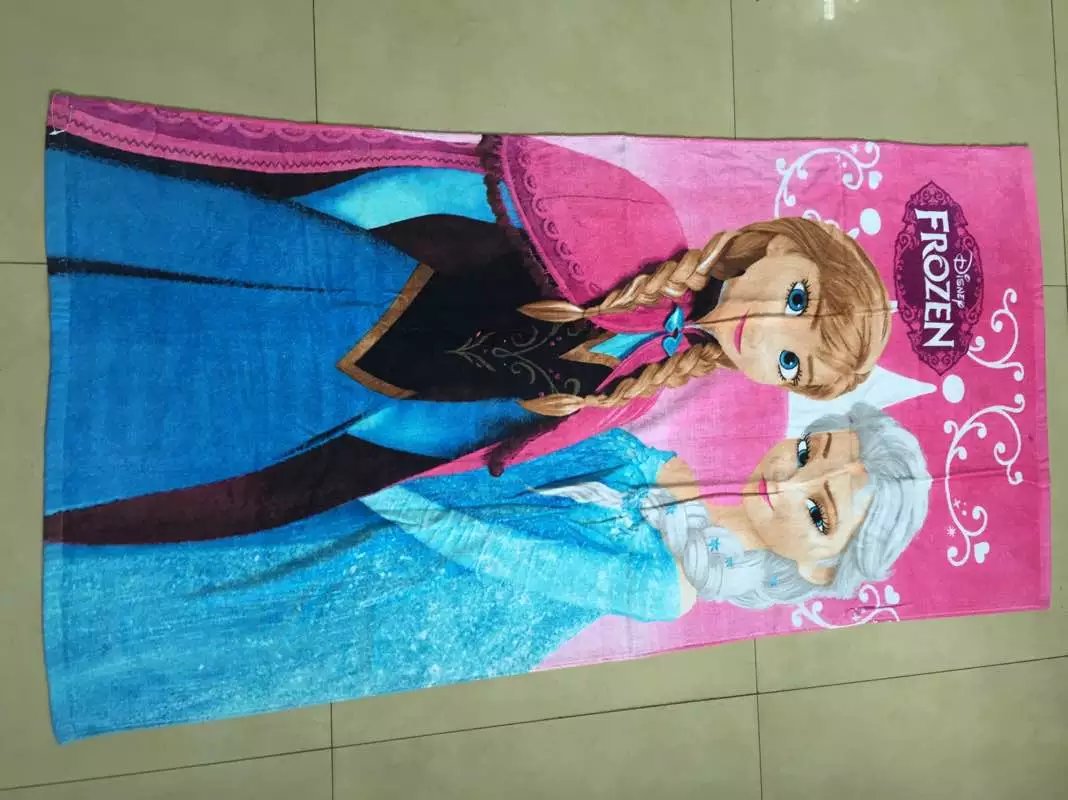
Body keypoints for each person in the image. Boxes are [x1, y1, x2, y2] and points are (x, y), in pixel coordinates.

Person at [43, 127, 889, 546]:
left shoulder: (644, 386)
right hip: (334, 275)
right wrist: (305, 233)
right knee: (135, 274)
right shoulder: (647, 223)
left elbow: (470, 428)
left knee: (136, 421)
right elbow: (434, 190)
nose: (767, 331)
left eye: (789, 360)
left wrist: (365, 430)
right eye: (799, 299)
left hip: (343, 400)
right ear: (785, 248)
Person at [44, 404, 929, 739]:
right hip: (422, 508)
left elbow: (505, 552)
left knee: (208, 612)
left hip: (408, 597)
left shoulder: (667, 590)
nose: (789, 481)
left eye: (819, 512)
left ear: (819, 568)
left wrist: (385, 486)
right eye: (810, 452)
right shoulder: (675, 467)